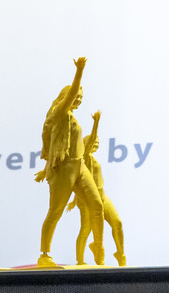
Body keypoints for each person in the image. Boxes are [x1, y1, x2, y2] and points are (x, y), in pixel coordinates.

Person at [33, 57, 106, 268]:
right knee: (55, 211)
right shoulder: (60, 112)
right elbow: (72, 92)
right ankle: (45, 254)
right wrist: (80, 71)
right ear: (65, 96)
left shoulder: (73, 118)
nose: (79, 100)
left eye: (81, 98)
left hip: (79, 167)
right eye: (76, 96)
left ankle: (98, 248)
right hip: (64, 169)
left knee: (97, 206)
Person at [68, 110, 127, 266]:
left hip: (102, 195)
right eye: (93, 141)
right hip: (88, 199)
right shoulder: (83, 158)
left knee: (117, 223)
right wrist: (96, 123)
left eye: (97, 142)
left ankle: (121, 255)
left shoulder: (93, 160)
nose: (96, 142)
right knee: (86, 228)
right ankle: (80, 260)